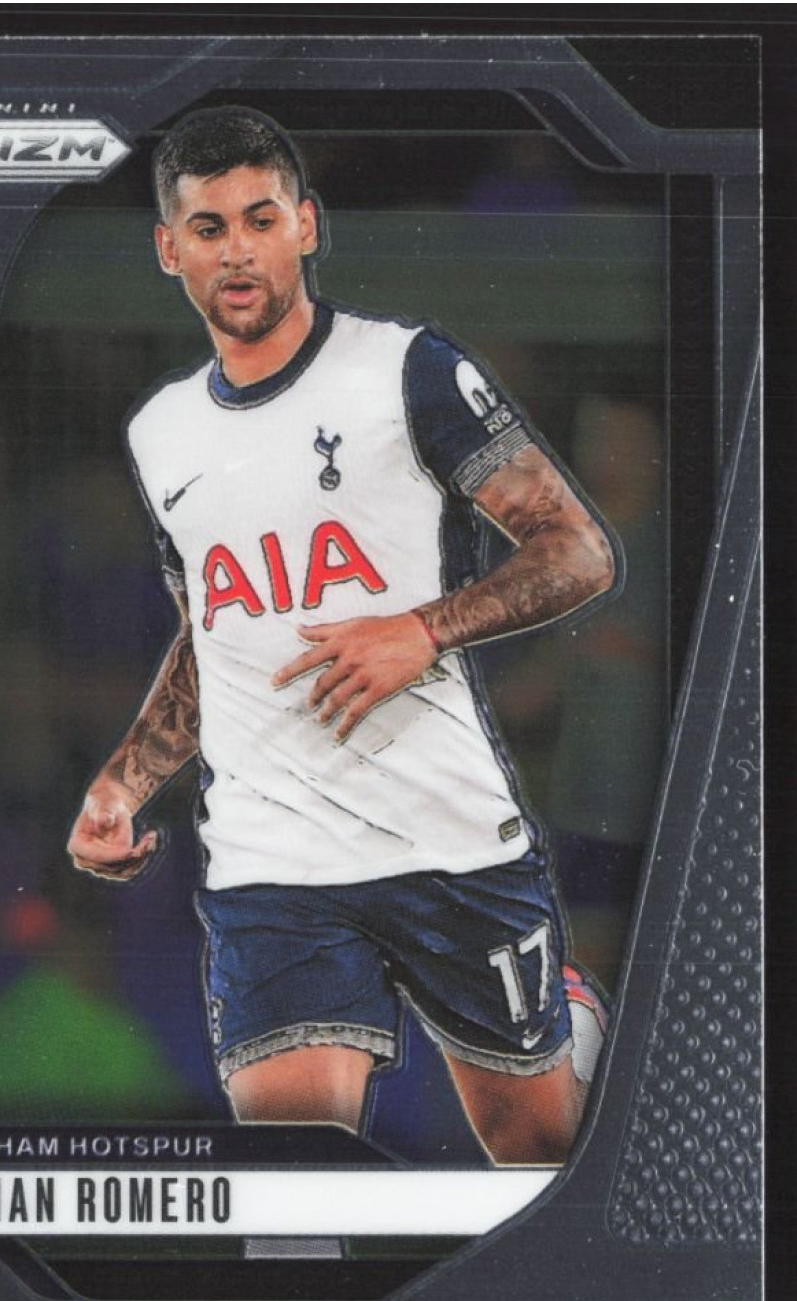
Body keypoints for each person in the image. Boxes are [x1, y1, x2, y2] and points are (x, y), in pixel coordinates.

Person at [68, 107, 616, 1165]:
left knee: (534, 1151)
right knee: (294, 1184)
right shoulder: (159, 431)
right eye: (211, 227)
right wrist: (125, 781)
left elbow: (578, 550)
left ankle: (571, 1026)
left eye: (261, 219)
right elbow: (212, 636)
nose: (238, 250)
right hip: (270, 862)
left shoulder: (406, 370)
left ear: (307, 226)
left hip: (444, 837)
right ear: (170, 249)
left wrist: (423, 629)